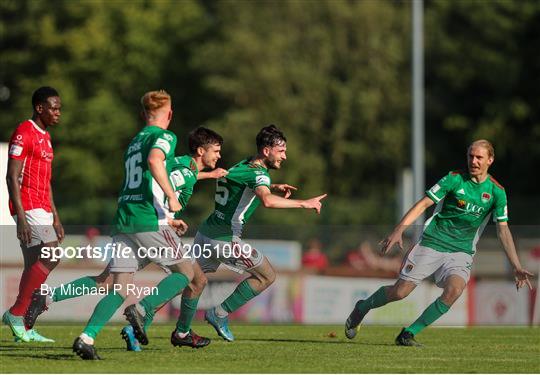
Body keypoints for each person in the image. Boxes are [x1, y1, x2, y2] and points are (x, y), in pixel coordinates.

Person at [26, 126, 226, 351]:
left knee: (107, 282)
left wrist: (209, 175)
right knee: (192, 278)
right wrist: (169, 218)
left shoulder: (184, 165)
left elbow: (172, 176)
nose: (218, 156)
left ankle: (49, 298)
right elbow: (165, 185)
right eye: (216, 151)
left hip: (134, 224)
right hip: (152, 228)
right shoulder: (184, 171)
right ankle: (162, 322)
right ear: (201, 151)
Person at [134, 124, 326, 343]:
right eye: (281, 151)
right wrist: (305, 203)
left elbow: (238, 181)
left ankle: (159, 325)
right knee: (267, 276)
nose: (284, 156)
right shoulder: (258, 174)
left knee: (189, 281)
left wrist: (272, 185)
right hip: (224, 239)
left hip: (206, 233)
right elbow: (267, 201)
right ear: (266, 151)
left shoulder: (243, 164)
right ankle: (219, 313)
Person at [344, 140, 534, 346]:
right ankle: (362, 308)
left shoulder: (497, 192)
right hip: (432, 243)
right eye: (471, 156)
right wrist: (399, 230)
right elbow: (424, 204)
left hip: (461, 251)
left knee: (455, 290)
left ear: (490, 160)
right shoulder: (453, 179)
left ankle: (407, 334)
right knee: (400, 292)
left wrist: (516, 265)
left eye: (479, 157)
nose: (474, 161)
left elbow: (503, 230)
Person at [71, 89, 191, 360]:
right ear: (169, 115)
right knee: (187, 273)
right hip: (147, 219)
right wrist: (172, 197)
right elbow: (155, 161)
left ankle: (86, 337)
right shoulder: (165, 136)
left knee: (119, 288)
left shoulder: (134, 141)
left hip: (124, 218)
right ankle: (142, 309)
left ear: (142, 115)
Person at [2, 86, 64, 343]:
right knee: (53, 255)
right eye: (54, 107)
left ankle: (24, 328)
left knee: (33, 268)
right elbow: (11, 176)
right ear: (40, 108)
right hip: (28, 207)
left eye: (60, 108)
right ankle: (16, 313)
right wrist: (22, 218)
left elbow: (47, 181)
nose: (58, 113)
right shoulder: (23, 133)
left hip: (42, 208)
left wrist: (56, 217)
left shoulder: (46, 137)